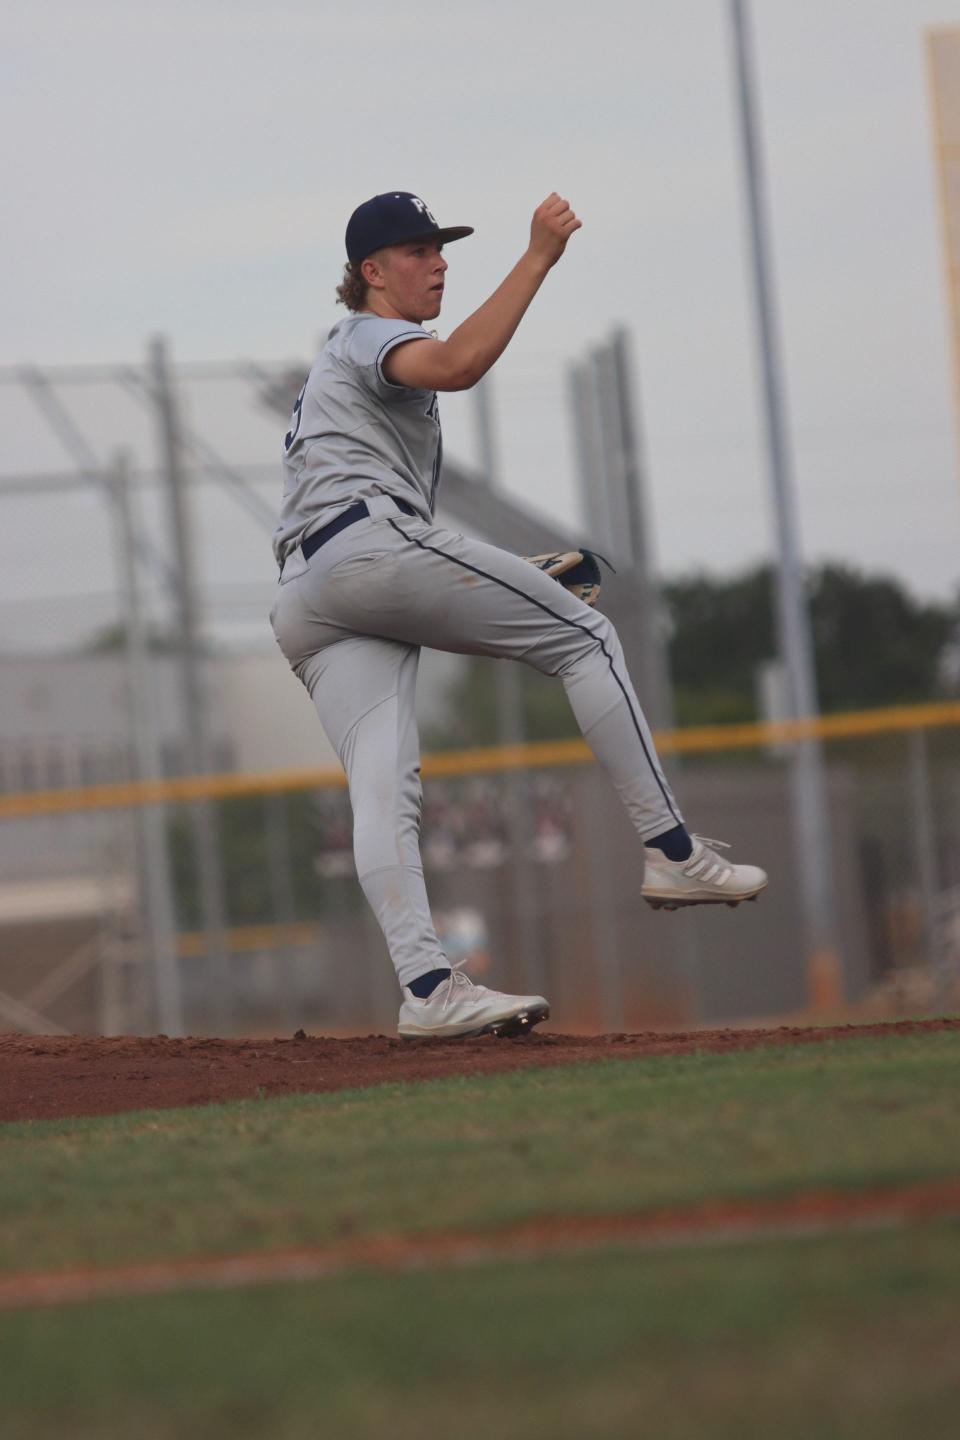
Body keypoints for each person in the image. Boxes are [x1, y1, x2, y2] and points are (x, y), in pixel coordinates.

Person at [270, 190, 767, 1040]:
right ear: (370, 272)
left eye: (440, 247)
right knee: (587, 637)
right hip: (367, 552)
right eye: (418, 250)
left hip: (311, 590)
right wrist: (537, 256)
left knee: (383, 786)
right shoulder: (366, 333)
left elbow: (398, 538)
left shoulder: (343, 364)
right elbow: (460, 363)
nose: (439, 262)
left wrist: (500, 578)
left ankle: (428, 987)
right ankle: (674, 854)